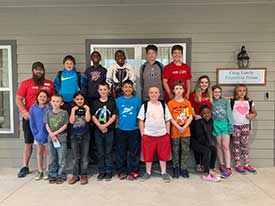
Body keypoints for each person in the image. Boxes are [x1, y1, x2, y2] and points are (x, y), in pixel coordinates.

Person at [16, 61, 54, 178]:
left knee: (47, 144)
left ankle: (49, 168)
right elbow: (18, 99)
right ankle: (24, 166)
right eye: (36, 69)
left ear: (43, 71)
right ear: (33, 71)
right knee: (29, 142)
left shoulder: (49, 84)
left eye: (41, 69)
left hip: (46, 119)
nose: (39, 71)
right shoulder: (25, 83)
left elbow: (54, 99)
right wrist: (24, 112)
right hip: (30, 119)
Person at [137, 86, 172, 183]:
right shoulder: (145, 106)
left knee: (163, 154)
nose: (153, 94)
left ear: (159, 94)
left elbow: (168, 120)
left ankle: (163, 172)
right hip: (148, 135)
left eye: (156, 92)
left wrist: (167, 133)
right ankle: (148, 172)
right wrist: (142, 133)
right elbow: (141, 120)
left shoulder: (163, 105)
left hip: (162, 135)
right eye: (151, 92)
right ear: (148, 94)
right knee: (148, 155)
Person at [53, 55, 86, 148]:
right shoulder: (60, 74)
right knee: (64, 122)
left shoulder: (78, 75)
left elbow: (83, 86)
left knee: (74, 122)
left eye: (71, 63)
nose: (69, 65)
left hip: (74, 102)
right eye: (67, 63)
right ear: (64, 64)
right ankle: (64, 141)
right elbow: (56, 85)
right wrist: (60, 92)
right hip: (63, 103)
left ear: (74, 65)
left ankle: (73, 141)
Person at [83, 51, 107, 164]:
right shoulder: (88, 71)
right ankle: (92, 154)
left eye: (97, 56)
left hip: (101, 99)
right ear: (91, 58)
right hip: (90, 99)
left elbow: (107, 84)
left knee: (101, 119)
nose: (95, 57)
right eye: (93, 56)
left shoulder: (104, 71)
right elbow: (84, 84)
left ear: (100, 58)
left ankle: (100, 152)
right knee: (91, 124)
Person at [115, 80, 141, 180]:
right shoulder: (118, 100)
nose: (128, 89)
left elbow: (139, 115)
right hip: (121, 129)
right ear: (122, 88)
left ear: (132, 88)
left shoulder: (137, 100)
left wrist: (139, 127)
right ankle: (121, 171)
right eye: (125, 87)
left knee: (133, 152)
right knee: (121, 151)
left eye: (130, 87)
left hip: (134, 129)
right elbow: (116, 114)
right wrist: (116, 126)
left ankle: (133, 171)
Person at [91, 82, 117, 181]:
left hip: (109, 130)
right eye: (101, 90)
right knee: (100, 151)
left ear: (109, 90)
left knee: (108, 151)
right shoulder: (95, 102)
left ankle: (109, 171)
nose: (103, 91)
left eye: (105, 89)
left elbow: (114, 115)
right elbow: (93, 115)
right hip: (98, 131)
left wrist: (106, 125)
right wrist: (100, 126)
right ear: (98, 91)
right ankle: (101, 171)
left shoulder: (112, 102)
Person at [167, 80, 193, 179]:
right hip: (175, 130)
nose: (178, 91)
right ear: (173, 90)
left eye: (180, 89)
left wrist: (184, 127)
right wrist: (178, 127)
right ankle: (176, 168)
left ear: (183, 90)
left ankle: (184, 168)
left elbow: (189, 116)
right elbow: (170, 117)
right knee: (175, 150)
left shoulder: (187, 103)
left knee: (185, 150)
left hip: (186, 130)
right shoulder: (171, 103)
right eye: (176, 89)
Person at [190, 105, 221, 182]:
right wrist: (207, 145)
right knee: (207, 151)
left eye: (208, 113)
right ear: (200, 115)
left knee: (213, 149)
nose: (207, 115)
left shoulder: (211, 121)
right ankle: (207, 174)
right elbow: (199, 138)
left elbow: (209, 134)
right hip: (194, 142)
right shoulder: (199, 122)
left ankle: (211, 169)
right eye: (204, 113)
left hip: (203, 142)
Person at [231, 84, 257, 174]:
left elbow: (254, 113)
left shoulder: (249, 102)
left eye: (244, 91)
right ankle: (238, 164)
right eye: (239, 90)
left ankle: (246, 164)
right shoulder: (232, 101)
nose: (242, 93)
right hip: (235, 126)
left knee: (244, 145)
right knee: (236, 145)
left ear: (246, 92)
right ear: (236, 92)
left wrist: (251, 115)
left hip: (245, 126)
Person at [189, 75, 213, 173]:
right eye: (202, 82)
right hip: (197, 122)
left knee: (206, 142)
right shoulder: (194, 94)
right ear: (199, 83)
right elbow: (191, 107)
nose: (204, 84)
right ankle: (198, 164)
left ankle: (205, 164)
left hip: (208, 123)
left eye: (206, 82)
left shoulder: (209, 95)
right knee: (198, 143)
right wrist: (195, 115)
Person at [45, 94, 69, 184]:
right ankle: (52, 175)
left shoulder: (64, 113)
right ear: (50, 102)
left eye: (57, 101)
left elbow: (65, 125)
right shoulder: (48, 113)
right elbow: (46, 124)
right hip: (51, 138)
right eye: (53, 101)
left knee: (61, 158)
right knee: (52, 157)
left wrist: (55, 133)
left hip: (61, 138)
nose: (55, 103)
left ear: (61, 103)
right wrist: (51, 134)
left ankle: (61, 175)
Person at [69, 92, 91, 185]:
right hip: (74, 135)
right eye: (77, 99)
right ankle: (75, 175)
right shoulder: (72, 109)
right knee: (75, 157)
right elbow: (71, 121)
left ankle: (84, 175)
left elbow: (88, 120)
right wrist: (73, 111)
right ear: (74, 100)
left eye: (81, 99)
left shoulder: (86, 108)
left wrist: (88, 110)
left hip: (85, 135)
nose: (79, 101)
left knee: (84, 157)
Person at [29, 90, 51, 180]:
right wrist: (35, 134)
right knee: (39, 152)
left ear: (47, 98)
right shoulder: (33, 108)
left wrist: (48, 132)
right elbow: (32, 123)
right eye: (40, 96)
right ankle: (40, 170)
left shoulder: (49, 108)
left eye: (44, 97)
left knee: (48, 152)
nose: (42, 98)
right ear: (37, 97)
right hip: (37, 135)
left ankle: (48, 170)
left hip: (47, 133)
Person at [212, 85, 233, 177]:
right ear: (212, 93)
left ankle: (228, 167)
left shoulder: (225, 102)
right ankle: (222, 164)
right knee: (219, 145)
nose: (217, 93)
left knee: (225, 146)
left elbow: (229, 113)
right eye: (215, 92)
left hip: (225, 125)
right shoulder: (211, 102)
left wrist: (230, 125)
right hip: (216, 125)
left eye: (219, 92)